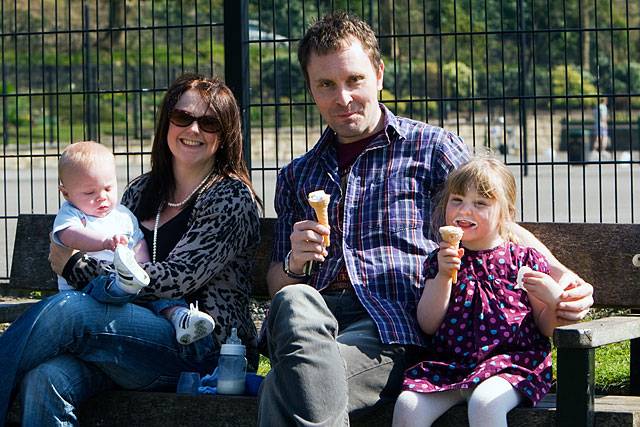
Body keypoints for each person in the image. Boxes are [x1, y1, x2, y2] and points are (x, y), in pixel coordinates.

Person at [258, 11, 594, 426]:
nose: (342, 98)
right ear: (311, 89)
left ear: (378, 74)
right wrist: (294, 262)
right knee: (294, 299)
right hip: (310, 324)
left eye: (354, 80)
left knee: (283, 386)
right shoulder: (297, 174)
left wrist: (564, 278)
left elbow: (494, 221)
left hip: (386, 331)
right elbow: (277, 284)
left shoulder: (430, 149)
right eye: (326, 84)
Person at [0, 73, 261, 425]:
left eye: (209, 122)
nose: (194, 129)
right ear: (167, 122)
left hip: (205, 350)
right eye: (183, 117)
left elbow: (176, 279)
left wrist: (77, 267)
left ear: (226, 132)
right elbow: (109, 255)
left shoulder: (231, 198)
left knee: (70, 312)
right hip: (135, 343)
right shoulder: (141, 190)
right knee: (45, 379)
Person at [392, 157, 563, 427]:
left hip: (512, 365)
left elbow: (545, 328)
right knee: (408, 406)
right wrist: (444, 276)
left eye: (480, 203)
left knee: (485, 403)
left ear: (505, 213)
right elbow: (427, 322)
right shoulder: (439, 260)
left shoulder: (522, 260)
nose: (465, 210)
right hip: (451, 366)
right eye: (457, 200)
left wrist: (553, 301)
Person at [53, 140, 215, 346]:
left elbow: (137, 242)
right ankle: (122, 289)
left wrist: (141, 268)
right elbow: (70, 236)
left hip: (127, 288)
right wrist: (103, 242)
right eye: (89, 193)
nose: (102, 197)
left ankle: (180, 316)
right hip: (84, 291)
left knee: (158, 296)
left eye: (108, 188)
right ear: (66, 193)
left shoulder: (122, 215)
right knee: (110, 287)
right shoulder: (72, 213)